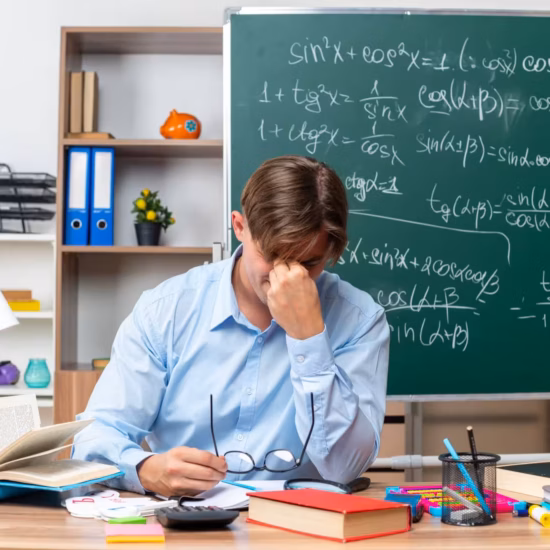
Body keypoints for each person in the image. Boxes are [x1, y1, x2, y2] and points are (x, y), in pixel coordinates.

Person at [72, 155, 390, 496]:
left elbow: (343, 468)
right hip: (186, 525)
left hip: (302, 527)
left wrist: (308, 337)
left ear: (331, 251)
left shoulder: (359, 321)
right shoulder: (166, 310)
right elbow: (93, 440)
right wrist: (146, 470)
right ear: (239, 227)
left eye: (309, 262)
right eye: (272, 256)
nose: (288, 276)